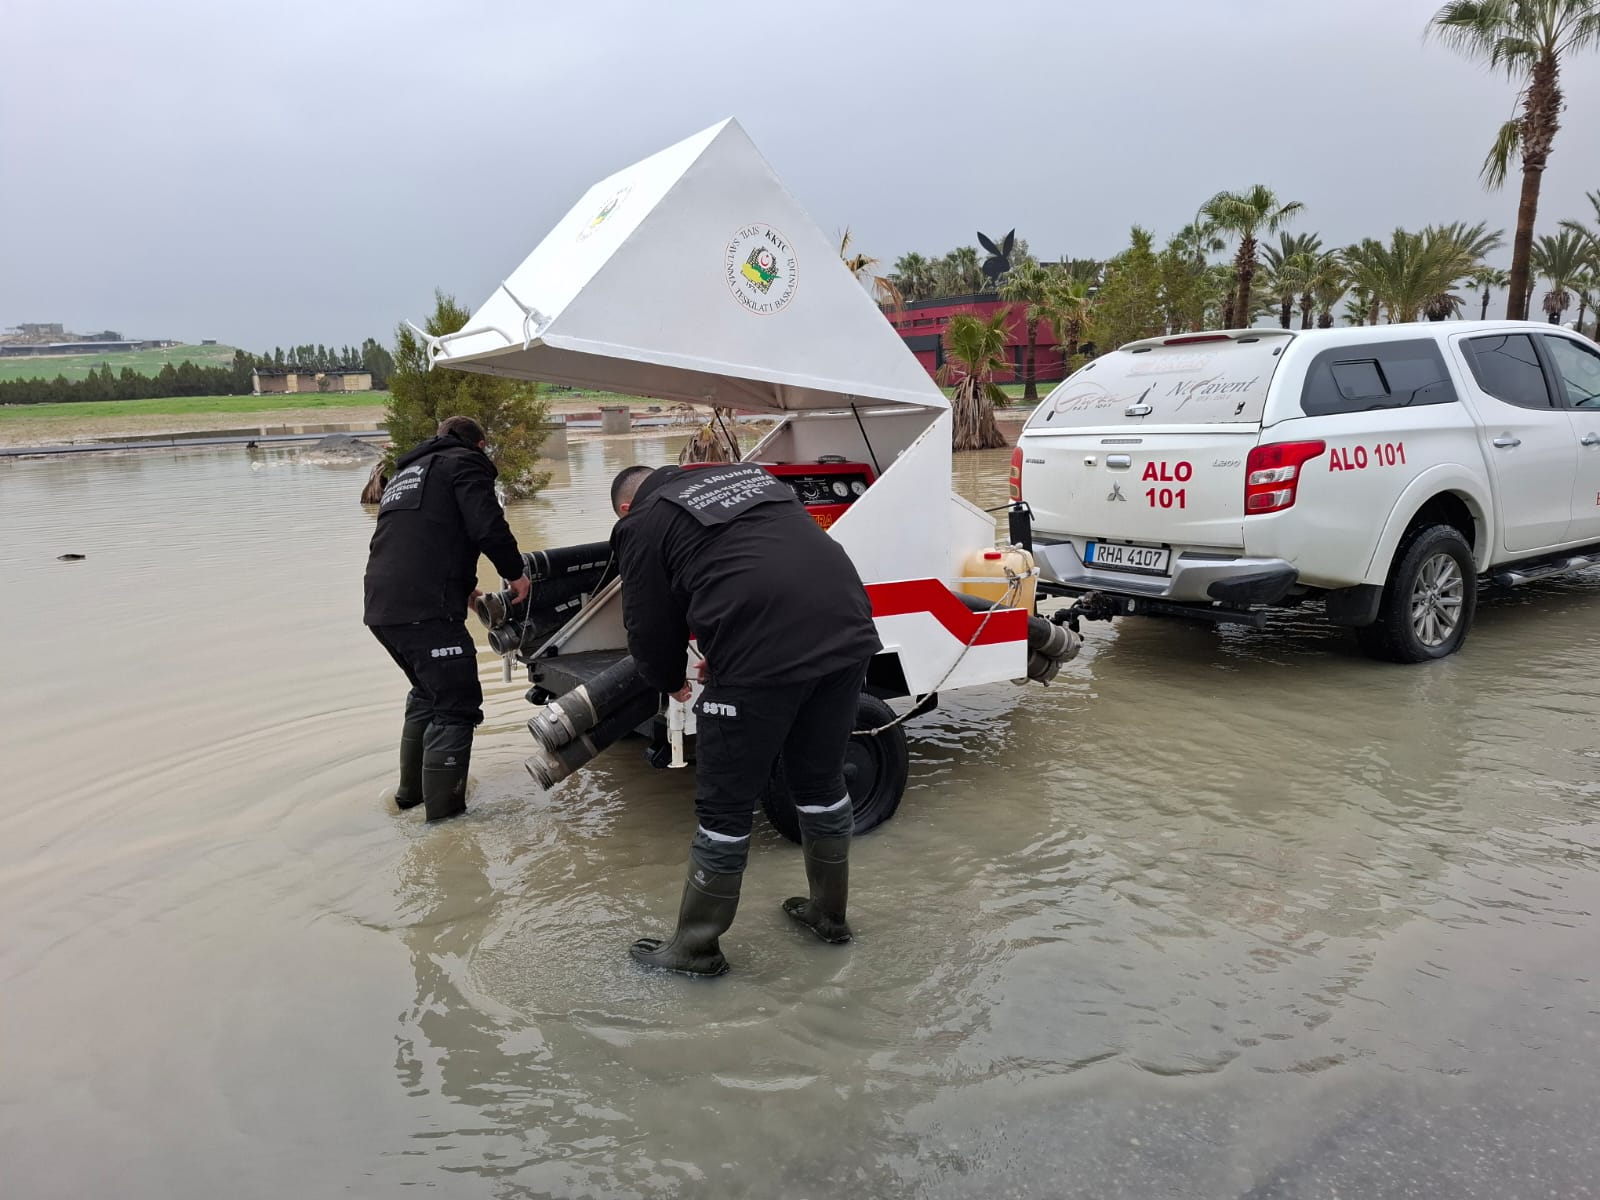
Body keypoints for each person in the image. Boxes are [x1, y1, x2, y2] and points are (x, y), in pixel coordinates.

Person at [609, 461, 882, 976]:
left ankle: (695, 949)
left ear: (627, 506)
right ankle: (829, 916)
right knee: (821, 780)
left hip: (763, 652)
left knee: (725, 805)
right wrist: (729, 643)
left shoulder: (643, 522)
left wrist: (670, 680)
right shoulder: (753, 478)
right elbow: (763, 563)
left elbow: (647, 625)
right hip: (849, 630)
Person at [364, 416, 531, 822]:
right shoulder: (464, 462)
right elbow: (487, 526)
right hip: (426, 611)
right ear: (480, 444)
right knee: (456, 706)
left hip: (382, 605)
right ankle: (445, 825)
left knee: (427, 694)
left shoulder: (409, 472)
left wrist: (468, 594)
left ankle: (410, 800)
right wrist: (516, 574)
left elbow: (420, 544)